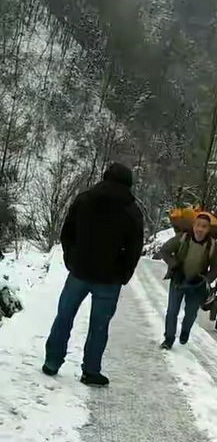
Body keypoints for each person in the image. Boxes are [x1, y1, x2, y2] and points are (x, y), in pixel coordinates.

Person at [42, 163, 144, 386]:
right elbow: (135, 248)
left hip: (79, 272)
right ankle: (90, 371)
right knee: (99, 326)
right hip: (109, 279)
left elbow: (67, 232)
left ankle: (52, 361)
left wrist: (71, 259)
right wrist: (124, 274)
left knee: (64, 317)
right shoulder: (132, 211)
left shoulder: (84, 199)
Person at [160, 213, 217, 349]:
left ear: (208, 229)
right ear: (193, 226)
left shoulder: (212, 245)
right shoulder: (182, 238)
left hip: (197, 284)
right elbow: (165, 250)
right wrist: (174, 264)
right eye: (198, 225)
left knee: (191, 313)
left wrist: (206, 279)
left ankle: (185, 331)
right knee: (172, 311)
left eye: (204, 226)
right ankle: (168, 339)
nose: (200, 229)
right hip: (178, 279)